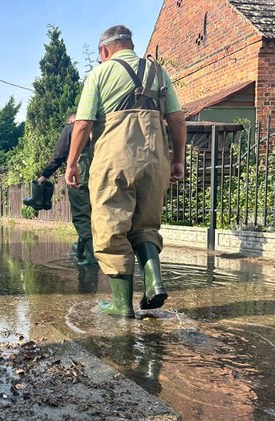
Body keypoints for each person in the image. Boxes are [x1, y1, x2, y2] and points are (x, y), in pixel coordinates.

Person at [65, 25, 187, 317]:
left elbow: (82, 124)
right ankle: (154, 283)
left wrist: (71, 163)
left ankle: (122, 306)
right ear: (131, 45)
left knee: (111, 228)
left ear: (104, 51)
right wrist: (177, 159)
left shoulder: (99, 74)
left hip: (114, 162)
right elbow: (178, 119)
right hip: (155, 161)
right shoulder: (158, 73)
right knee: (145, 225)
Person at [36, 112, 97, 266]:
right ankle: (81, 251)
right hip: (102, 175)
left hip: (81, 176)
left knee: (82, 216)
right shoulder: (98, 127)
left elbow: (59, 155)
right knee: (94, 214)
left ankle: (91, 257)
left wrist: (44, 176)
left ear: (71, 119)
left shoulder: (71, 128)